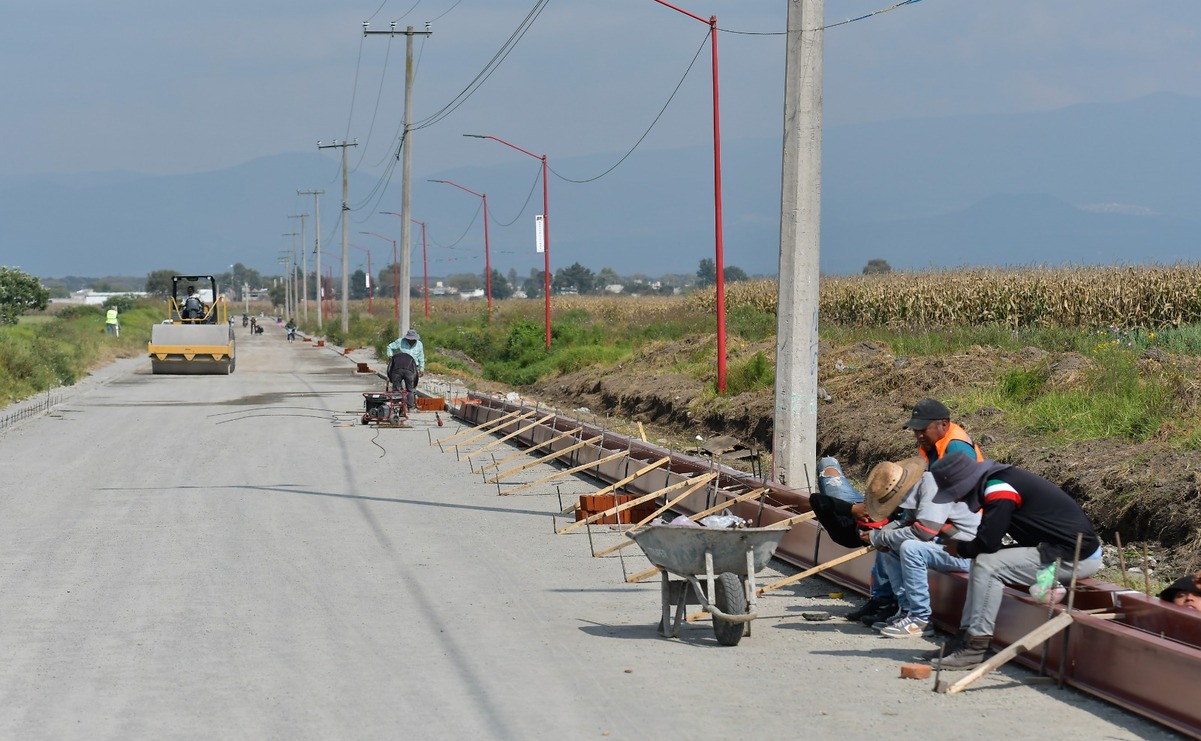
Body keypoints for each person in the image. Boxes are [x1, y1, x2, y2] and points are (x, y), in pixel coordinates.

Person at [925, 451, 1103, 670]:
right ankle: (964, 639)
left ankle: (976, 648)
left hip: (1076, 557)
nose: (957, 499)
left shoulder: (999, 489)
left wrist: (959, 548)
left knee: (987, 565)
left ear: (966, 483)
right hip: (1054, 549)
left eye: (955, 493)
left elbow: (986, 544)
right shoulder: (995, 481)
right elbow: (987, 540)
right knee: (982, 560)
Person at [821, 398, 985, 626]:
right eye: (915, 430)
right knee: (889, 537)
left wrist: (884, 534)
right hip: (942, 519)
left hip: (960, 532)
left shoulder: (955, 449)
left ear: (943, 425)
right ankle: (886, 601)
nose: (918, 435)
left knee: (904, 543)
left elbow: (928, 527)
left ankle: (915, 614)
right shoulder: (933, 450)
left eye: (922, 429)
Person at [861, 457, 980, 638]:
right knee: (892, 545)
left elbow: (924, 532)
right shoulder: (917, 489)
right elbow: (909, 525)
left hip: (967, 553)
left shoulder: (932, 487)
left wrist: (880, 536)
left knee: (910, 547)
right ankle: (907, 610)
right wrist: (882, 537)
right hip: (946, 547)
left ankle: (920, 618)